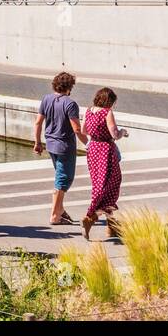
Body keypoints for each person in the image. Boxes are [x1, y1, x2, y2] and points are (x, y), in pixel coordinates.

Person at [33, 71, 88, 225]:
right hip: (65, 147)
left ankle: (61, 211)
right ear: (69, 87)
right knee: (63, 181)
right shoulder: (70, 104)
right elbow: (77, 129)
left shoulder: (46, 99)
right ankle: (55, 216)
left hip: (51, 145)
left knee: (59, 178)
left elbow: (38, 123)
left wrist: (37, 142)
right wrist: (89, 145)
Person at [83, 87, 128, 240]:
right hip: (105, 150)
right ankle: (90, 217)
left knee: (100, 184)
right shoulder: (107, 113)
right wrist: (122, 132)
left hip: (93, 150)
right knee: (111, 184)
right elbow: (114, 134)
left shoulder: (88, 111)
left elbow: (84, 130)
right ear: (109, 101)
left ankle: (112, 226)